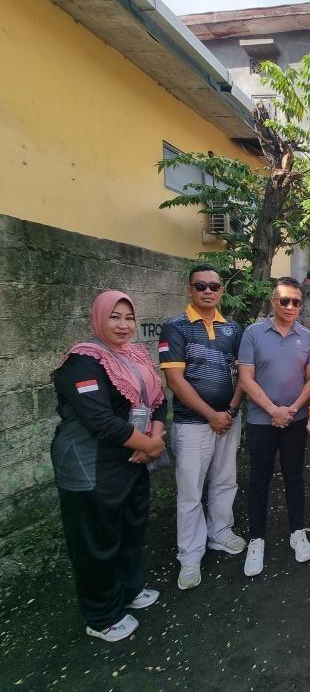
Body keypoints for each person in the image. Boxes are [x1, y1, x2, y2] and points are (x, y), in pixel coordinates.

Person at [50, 290, 166, 642]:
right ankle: (101, 616)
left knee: (131, 528)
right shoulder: (82, 361)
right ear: (98, 318)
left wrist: (154, 437)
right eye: (114, 317)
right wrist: (150, 445)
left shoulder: (134, 355)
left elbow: (158, 400)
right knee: (97, 540)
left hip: (131, 459)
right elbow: (100, 420)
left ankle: (128, 590)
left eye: (129, 318)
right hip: (92, 464)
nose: (123, 325)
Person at [159, 264, 246, 591]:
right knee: (191, 490)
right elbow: (175, 380)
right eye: (201, 286)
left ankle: (220, 532)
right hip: (193, 423)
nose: (208, 291)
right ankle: (190, 554)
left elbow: (244, 374)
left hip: (229, 418)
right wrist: (211, 414)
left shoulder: (232, 329)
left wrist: (231, 410)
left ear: (221, 290)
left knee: (225, 479)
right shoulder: (176, 327)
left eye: (214, 286)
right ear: (189, 290)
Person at [238, 277, 310, 576]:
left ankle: (297, 532)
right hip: (261, 420)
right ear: (273, 301)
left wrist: (292, 409)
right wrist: (273, 410)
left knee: (294, 477)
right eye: (284, 300)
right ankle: (256, 539)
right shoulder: (254, 332)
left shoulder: (306, 337)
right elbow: (246, 379)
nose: (290, 306)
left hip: (295, 419)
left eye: (296, 301)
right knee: (259, 481)